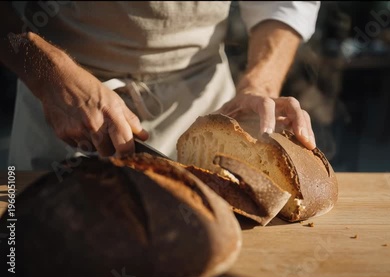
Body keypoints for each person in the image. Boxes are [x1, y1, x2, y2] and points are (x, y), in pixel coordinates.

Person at [0, 1, 321, 171]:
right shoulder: (53, 81)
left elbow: (282, 5)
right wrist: (49, 73)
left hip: (204, 109)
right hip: (61, 102)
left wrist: (259, 86)